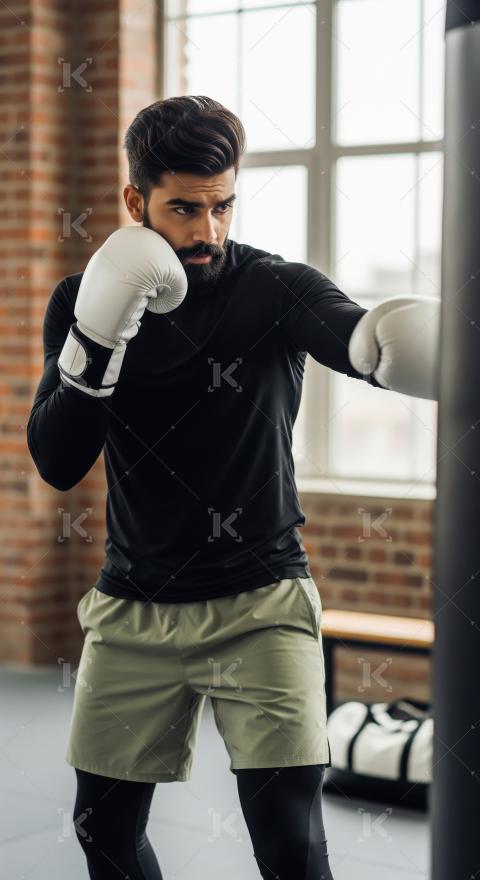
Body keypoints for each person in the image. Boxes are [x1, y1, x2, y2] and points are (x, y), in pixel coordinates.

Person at [27, 95, 438, 879]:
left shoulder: (275, 289)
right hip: (133, 605)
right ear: (134, 200)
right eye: (184, 209)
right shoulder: (84, 301)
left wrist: (403, 346)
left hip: (264, 603)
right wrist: (97, 339)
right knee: (102, 835)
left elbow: (359, 341)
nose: (206, 232)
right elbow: (55, 460)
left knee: (290, 843)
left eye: (222, 207)